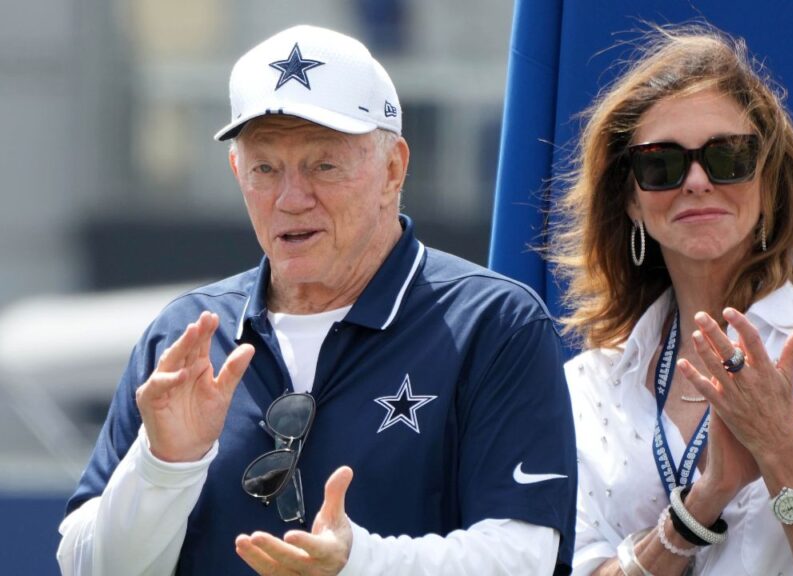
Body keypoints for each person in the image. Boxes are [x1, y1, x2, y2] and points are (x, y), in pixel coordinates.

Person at [57, 25, 576, 576]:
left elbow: (525, 559)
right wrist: (164, 467)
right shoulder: (185, 334)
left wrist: (359, 563)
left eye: (323, 165)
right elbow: (89, 568)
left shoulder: (494, 323)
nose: (291, 198)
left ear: (393, 169)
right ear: (237, 172)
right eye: (265, 168)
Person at [550, 25, 793, 575]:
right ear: (632, 202)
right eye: (660, 163)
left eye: (729, 157)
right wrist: (705, 499)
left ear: (768, 185)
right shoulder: (587, 387)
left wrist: (780, 450)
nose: (696, 181)